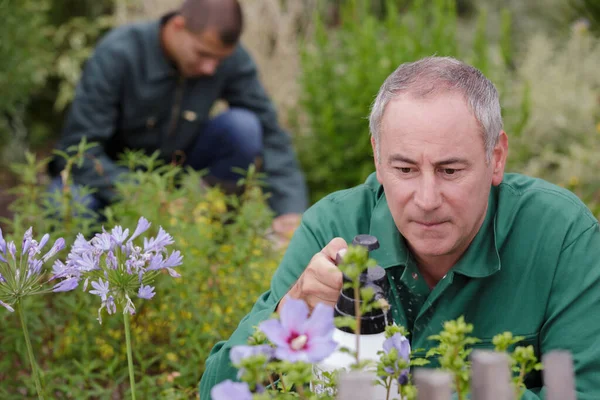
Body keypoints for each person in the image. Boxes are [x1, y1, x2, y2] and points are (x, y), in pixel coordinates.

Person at [199, 56, 600, 398]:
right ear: (377, 158)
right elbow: (216, 389)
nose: (426, 199)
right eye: (405, 169)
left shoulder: (562, 235)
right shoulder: (333, 225)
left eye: (450, 169)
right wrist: (291, 308)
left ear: (495, 158)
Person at [47, 0, 308, 237]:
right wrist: (147, 195)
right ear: (177, 26)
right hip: (112, 181)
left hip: (181, 181)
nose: (211, 68)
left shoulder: (229, 59)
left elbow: (270, 131)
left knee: (244, 128)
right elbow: (78, 151)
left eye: (219, 59)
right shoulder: (119, 53)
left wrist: (290, 210)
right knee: (68, 204)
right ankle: (93, 273)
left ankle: (213, 237)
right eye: (203, 54)